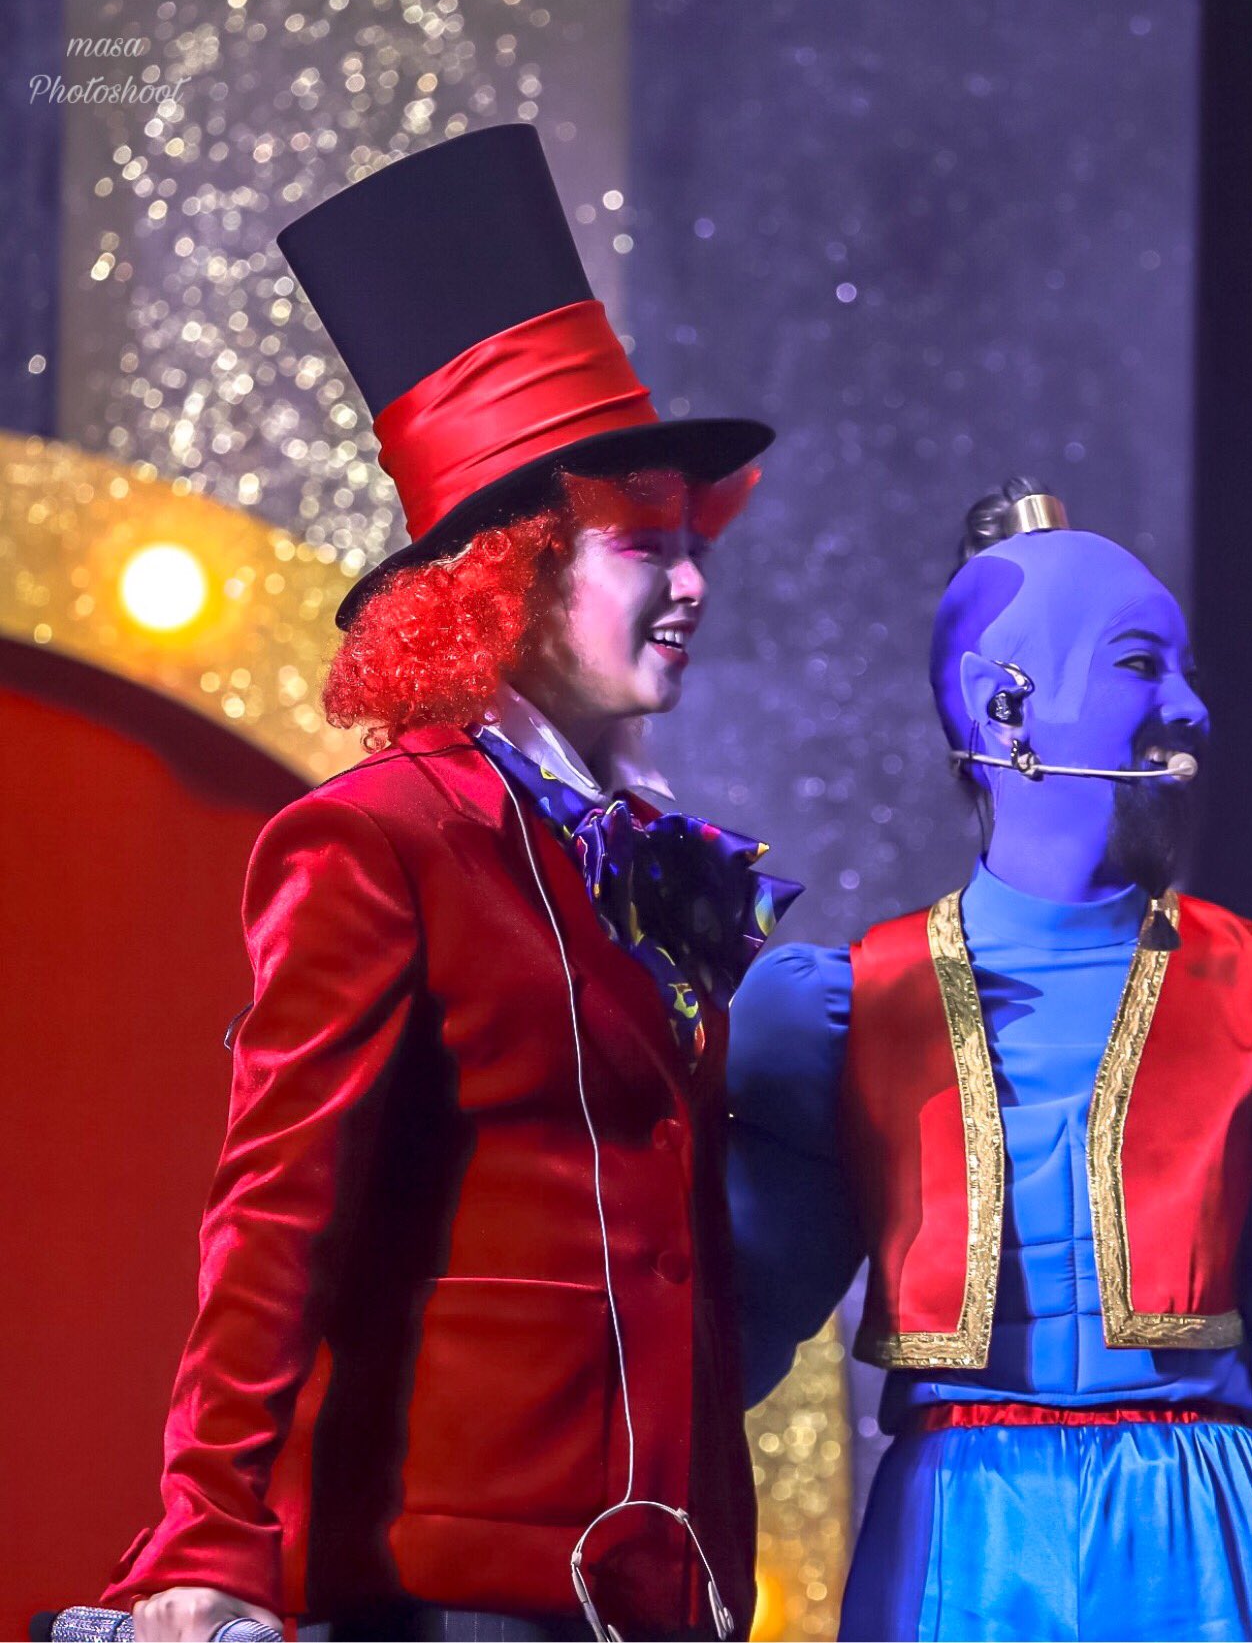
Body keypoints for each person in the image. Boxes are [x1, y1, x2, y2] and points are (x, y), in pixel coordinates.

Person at [100, 125, 796, 1642]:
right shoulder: (380, 839)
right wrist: (208, 1534)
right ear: (514, 575)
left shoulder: (639, 860)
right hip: (455, 1598)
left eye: (695, 544)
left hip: (661, 1593)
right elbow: (273, 1214)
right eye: (644, 548)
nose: (692, 583)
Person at [726, 481, 1252, 1642]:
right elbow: (734, 1326)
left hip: (1202, 1538)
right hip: (960, 1543)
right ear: (1005, 705)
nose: (1190, 708)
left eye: (1186, 671)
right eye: (1142, 666)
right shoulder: (847, 1011)